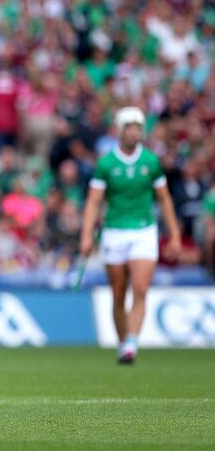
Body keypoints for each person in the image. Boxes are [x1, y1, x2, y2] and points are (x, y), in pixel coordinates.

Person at [80, 106, 181, 365]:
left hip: (144, 231)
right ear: (120, 130)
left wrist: (175, 235)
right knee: (118, 292)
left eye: (138, 127)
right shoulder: (106, 164)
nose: (135, 132)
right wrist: (86, 236)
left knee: (140, 288)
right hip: (114, 232)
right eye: (130, 127)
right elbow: (93, 202)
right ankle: (123, 340)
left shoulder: (150, 161)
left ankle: (131, 343)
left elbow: (164, 199)